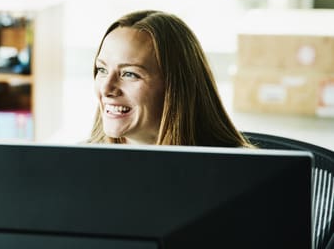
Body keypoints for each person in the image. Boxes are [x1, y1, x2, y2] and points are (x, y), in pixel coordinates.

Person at [87, 9, 252, 147]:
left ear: (176, 87)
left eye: (130, 74)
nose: (106, 89)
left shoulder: (238, 176)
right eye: (102, 69)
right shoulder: (79, 166)